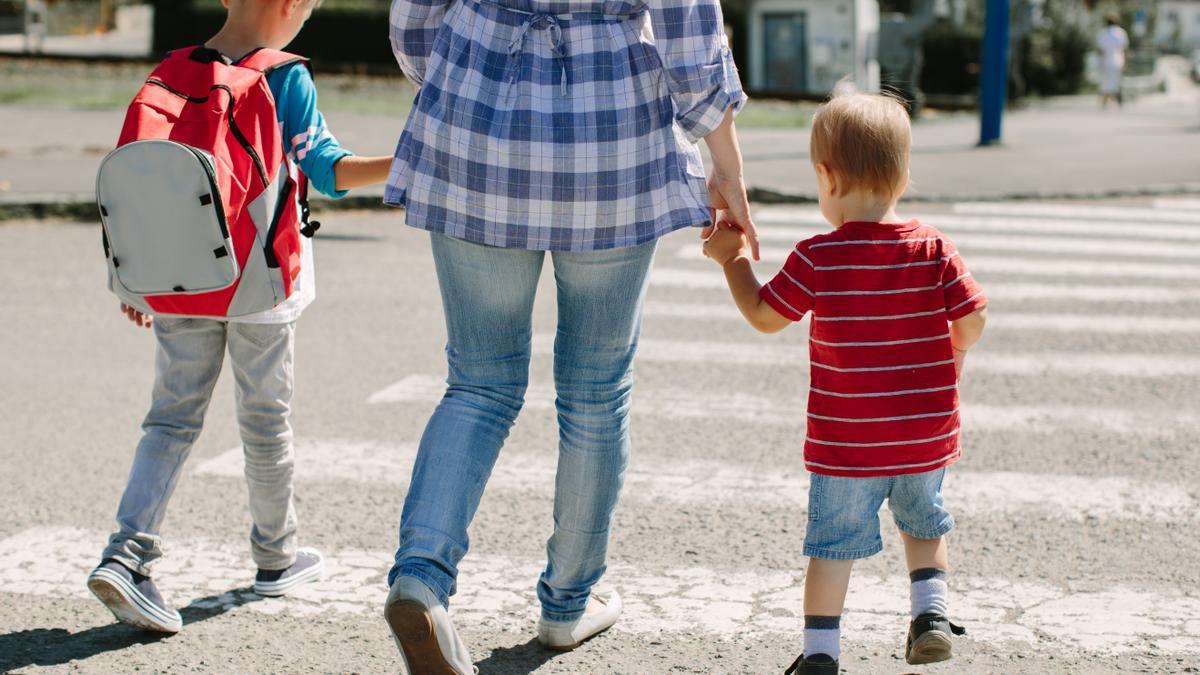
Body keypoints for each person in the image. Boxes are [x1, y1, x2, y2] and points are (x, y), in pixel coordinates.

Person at [382, 0, 754, 668]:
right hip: (609, 129)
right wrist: (723, 159)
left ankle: (421, 579)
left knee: (478, 384)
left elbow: (414, 20)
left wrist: (469, 73)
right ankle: (568, 604)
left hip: (477, 116)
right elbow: (686, 23)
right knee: (595, 390)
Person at [86, 0, 393, 634]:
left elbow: (142, 186)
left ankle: (127, 553)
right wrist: (409, 161)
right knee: (265, 421)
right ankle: (276, 556)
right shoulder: (284, 76)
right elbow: (328, 172)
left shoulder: (170, 72)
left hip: (180, 279)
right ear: (289, 5)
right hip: (260, 284)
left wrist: (139, 283)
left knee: (169, 421)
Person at [702, 88, 988, 673]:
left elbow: (763, 315)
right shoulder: (934, 248)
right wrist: (955, 351)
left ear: (826, 178)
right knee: (925, 526)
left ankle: (820, 655)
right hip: (923, 437)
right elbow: (975, 317)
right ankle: (930, 614)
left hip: (846, 445)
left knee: (831, 550)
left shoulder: (818, 257)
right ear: (902, 175)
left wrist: (732, 260)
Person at [1098, 12, 1129, 108]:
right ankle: (1118, 98)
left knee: (1106, 81)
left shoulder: (1103, 34)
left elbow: (1101, 50)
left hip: (1107, 61)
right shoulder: (1121, 33)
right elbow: (1124, 50)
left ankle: (1105, 101)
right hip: (1118, 60)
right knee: (1117, 81)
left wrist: (1100, 63)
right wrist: (1125, 62)